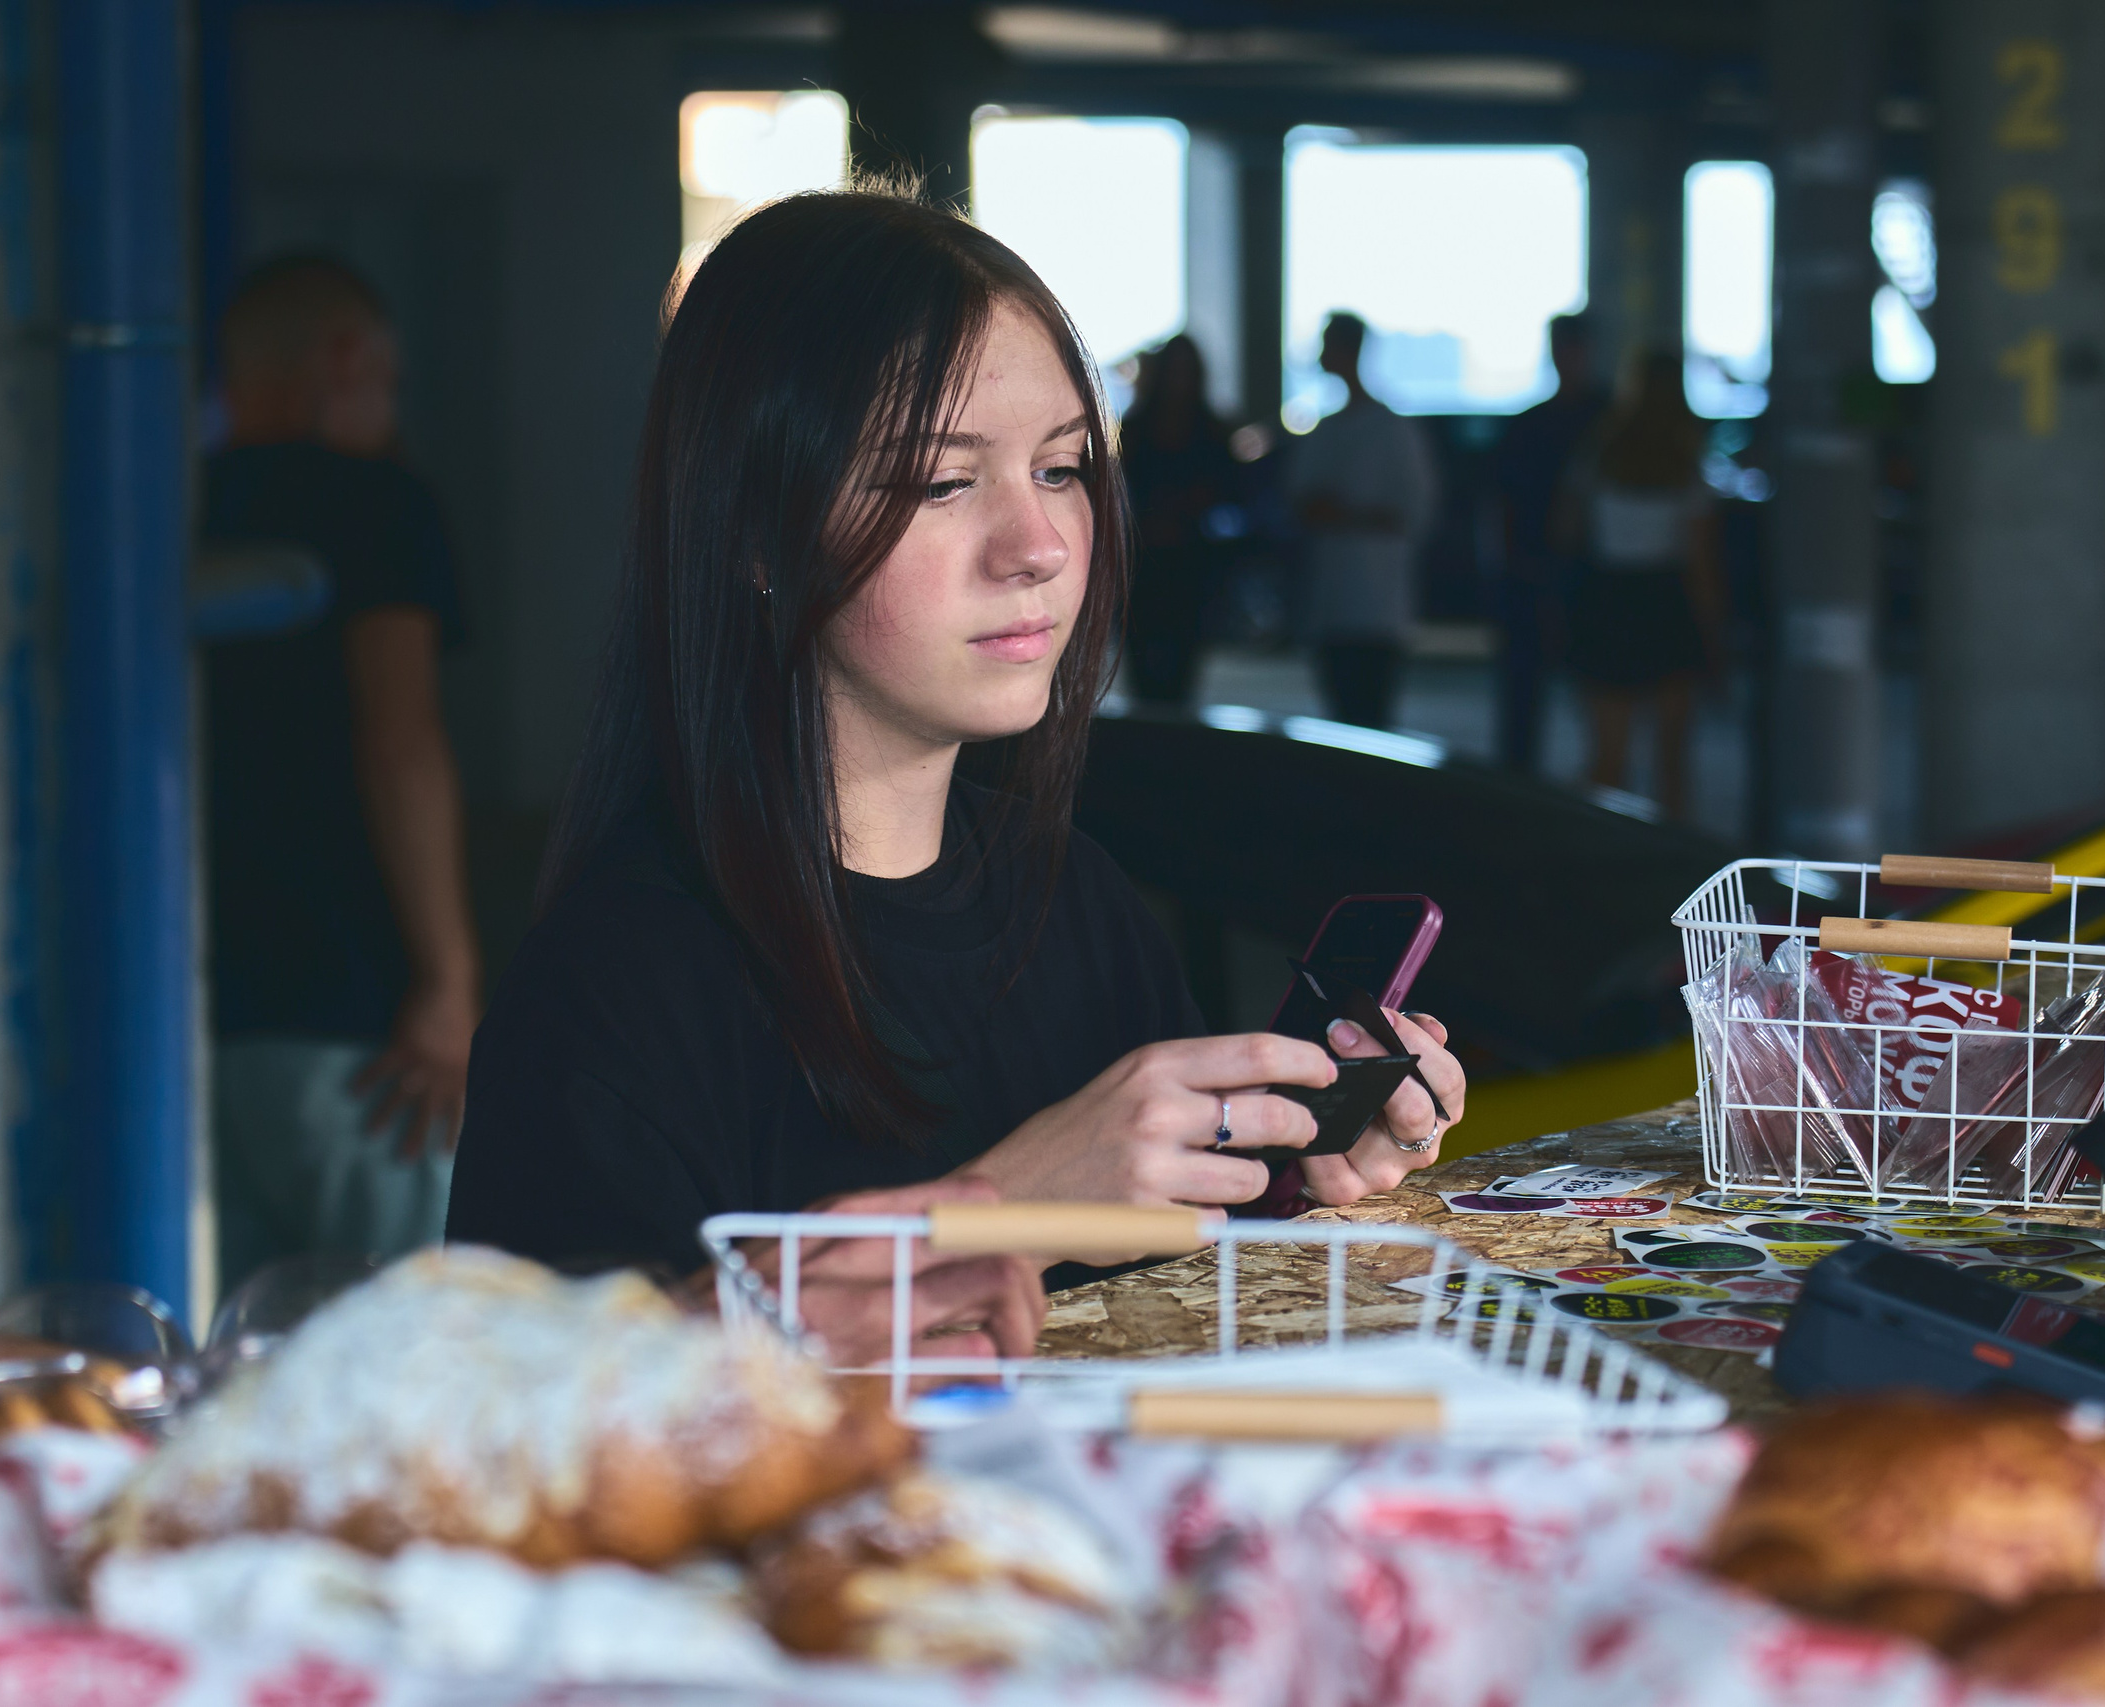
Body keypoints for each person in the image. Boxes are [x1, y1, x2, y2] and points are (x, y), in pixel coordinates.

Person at [445, 192, 1466, 1363]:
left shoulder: (1077, 902)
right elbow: (519, 1434)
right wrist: (1003, 1201)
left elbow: (1162, 1304)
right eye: (941, 482)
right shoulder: (617, 984)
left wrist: (1295, 1165)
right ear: (756, 537)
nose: (1036, 545)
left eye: (1064, 468)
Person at [203, 256, 482, 1298]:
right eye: (388, 381)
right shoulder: (379, 502)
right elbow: (399, 735)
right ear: (344, 357)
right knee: (410, 1348)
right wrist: (448, 985)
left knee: (225, 1355)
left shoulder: (165, 504)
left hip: (190, 1019)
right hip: (353, 1021)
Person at [1554, 349, 1723, 822]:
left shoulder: (1600, 453)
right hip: (1665, 602)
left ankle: (1600, 858)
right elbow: (1700, 564)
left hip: (1608, 599)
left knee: (1608, 758)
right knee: (1673, 761)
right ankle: (1677, 869)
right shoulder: (1686, 465)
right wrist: (1713, 634)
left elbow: (1566, 530)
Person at [1285, 313, 1437, 730]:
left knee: (1369, 717)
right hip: (1338, 603)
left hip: (1376, 605)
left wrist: (1343, 514)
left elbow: (1413, 514)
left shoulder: (1389, 431)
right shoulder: (1330, 429)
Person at [1491, 314, 1605, 774]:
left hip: (1590, 576)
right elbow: (1504, 504)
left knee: (1598, 702)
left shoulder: (1603, 419)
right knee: (1524, 700)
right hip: (1535, 573)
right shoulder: (1538, 424)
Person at [1118, 334, 1238, 710]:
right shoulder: (1139, 428)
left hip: (1189, 567)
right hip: (1145, 566)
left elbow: (1229, 496)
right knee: (1144, 677)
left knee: (1181, 677)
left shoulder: (1210, 430)